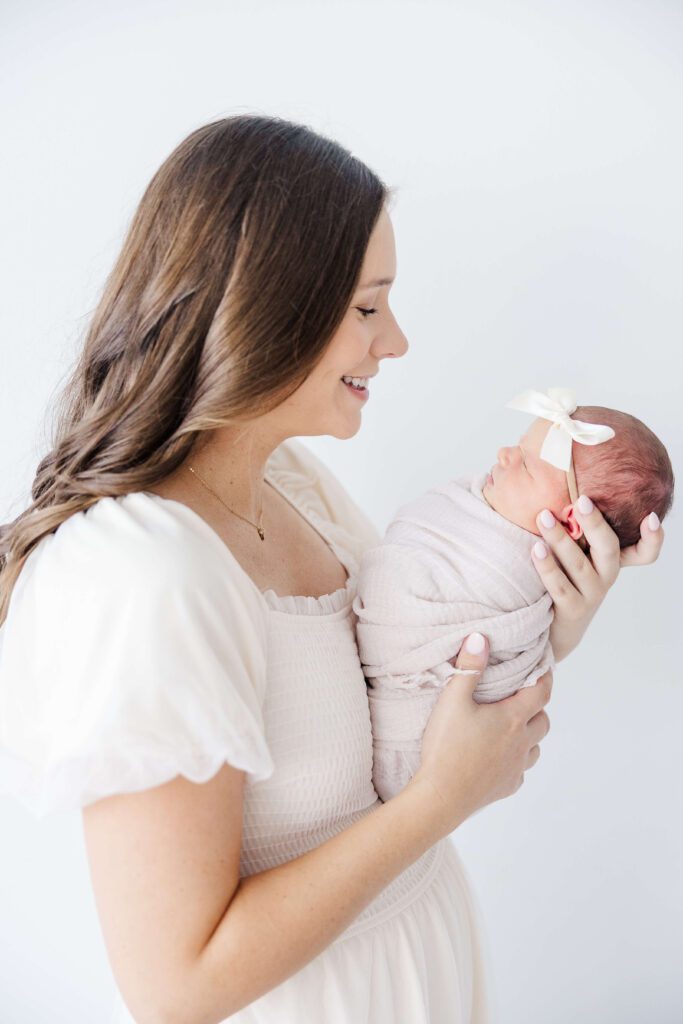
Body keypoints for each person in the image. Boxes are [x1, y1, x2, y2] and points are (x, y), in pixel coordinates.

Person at [0, 115, 664, 1024]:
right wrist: (437, 806)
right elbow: (174, 985)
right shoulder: (144, 578)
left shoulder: (297, 488)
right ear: (255, 310)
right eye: (365, 307)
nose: (395, 342)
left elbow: (411, 681)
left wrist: (549, 614)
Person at [353, 391, 674, 802]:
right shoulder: (475, 506)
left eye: (524, 463)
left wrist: (563, 632)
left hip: (412, 744)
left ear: (572, 521)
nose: (503, 455)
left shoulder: (521, 576)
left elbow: (515, 648)